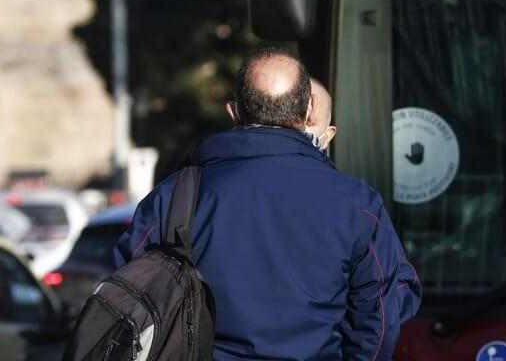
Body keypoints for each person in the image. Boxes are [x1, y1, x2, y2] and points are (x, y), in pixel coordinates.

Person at [115, 48, 420, 360]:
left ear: (234, 112)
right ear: (308, 111)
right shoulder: (356, 203)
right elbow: (380, 314)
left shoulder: (176, 195)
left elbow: (129, 292)